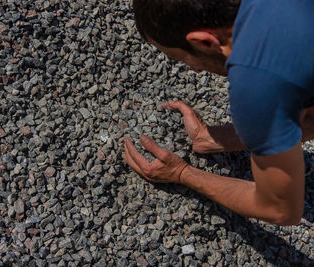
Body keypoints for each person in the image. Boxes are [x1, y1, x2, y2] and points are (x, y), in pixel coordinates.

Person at [122, 0, 314, 225]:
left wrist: (182, 172)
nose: (194, 69)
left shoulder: (258, 83)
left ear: (203, 41)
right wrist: (211, 138)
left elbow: (280, 210)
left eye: (181, 58)